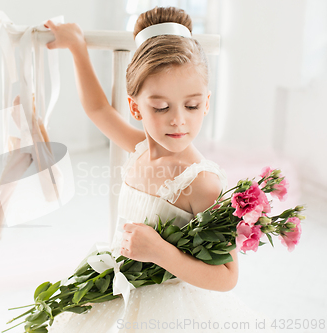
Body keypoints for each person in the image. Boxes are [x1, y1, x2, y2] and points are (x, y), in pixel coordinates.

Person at [40, 6, 276, 333]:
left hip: (169, 311)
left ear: (206, 102)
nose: (178, 119)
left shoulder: (201, 183)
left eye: (191, 105)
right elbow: (97, 108)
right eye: (161, 107)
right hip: (125, 286)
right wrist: (77, 47)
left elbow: (227, 277)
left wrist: (159, 251)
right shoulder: (138, 148)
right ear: (136, 106)